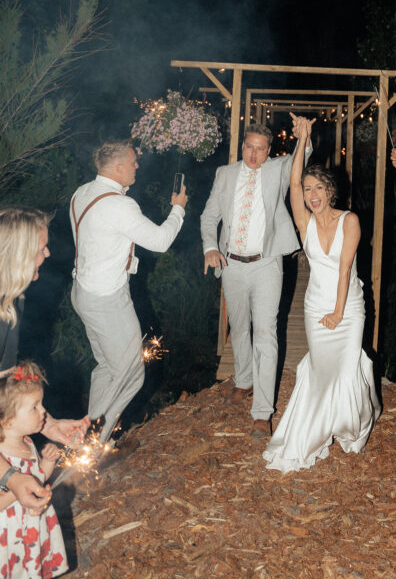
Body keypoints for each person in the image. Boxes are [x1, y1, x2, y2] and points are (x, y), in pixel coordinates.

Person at [263, 116, 379, 472]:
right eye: (309, 189)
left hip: (348, 308)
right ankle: (314, 430)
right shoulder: (305, 223)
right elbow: (293, 184)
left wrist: (340, 313)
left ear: (331, 192)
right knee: (320, 369)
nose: (311, 195)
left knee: (345, 370)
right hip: (315, 306)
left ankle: (349, 427)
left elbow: (345, 270)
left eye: (319, 189)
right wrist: (303, 140)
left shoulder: (350, 221)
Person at [70, 140, 187, 442]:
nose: (137, 166)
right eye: (133, 162)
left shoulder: (81, 194)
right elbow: (161, 241)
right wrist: (178, 209)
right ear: (119, 167)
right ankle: (93, 447)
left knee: (108, 368)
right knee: (131, 373)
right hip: (107, 300)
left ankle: (87, 433)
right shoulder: (119, 205)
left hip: (83, 293)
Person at [201, 120, 311, 437]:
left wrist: (305, 136)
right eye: (249, 146)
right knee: (238, 328)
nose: (254, 153)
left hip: (266, 264)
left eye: (261, 148)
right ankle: (244, 381)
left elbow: (300, 160)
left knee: (265, 333)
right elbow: (209, 216)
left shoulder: (277, 169)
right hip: (231, 264)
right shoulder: (225, 174)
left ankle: (262, 412)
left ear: (268, 151)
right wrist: (210, 247)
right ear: (243, 146)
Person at [0, 208, 87, 513]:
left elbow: (6, 389)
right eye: (40, 249)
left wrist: (47, 424)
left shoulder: (11, 304)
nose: (48, 253)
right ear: (17, 255)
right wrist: (10, 477)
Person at [0, 362, 68, 578]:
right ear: (9, 421)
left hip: (32, 527)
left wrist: (47, 463)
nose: (44, 411)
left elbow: (38, 477)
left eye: (41, 404)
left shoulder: (28, 443)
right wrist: (15, 493)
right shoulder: (2, 455)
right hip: (8, 537)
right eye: (35, 407)